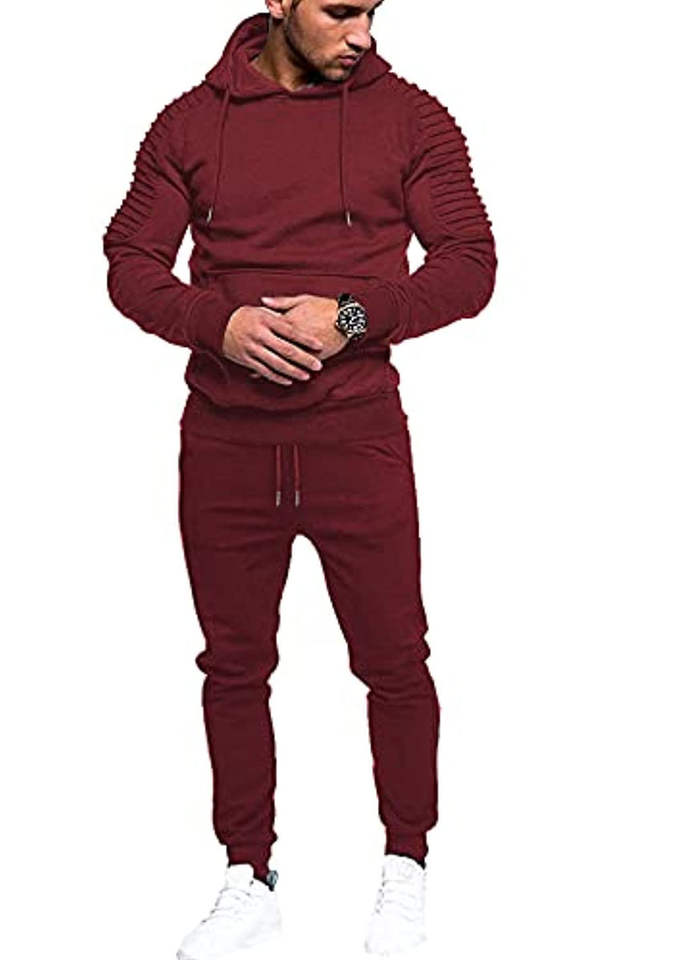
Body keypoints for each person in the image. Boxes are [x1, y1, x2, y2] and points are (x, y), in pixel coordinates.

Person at [102, 1, 497, 955]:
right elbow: (129, 261)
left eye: (375, 10)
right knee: (233, 666)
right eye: (341, 10)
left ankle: (406, 865)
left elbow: (470, 265)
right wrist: (218, 325)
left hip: (356, 439)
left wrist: (351, 318)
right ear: (278, 0)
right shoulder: (190, 123)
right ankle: (249, 875)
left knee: (394, 658)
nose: (364, 34)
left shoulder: (412, 117)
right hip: (225, 446)